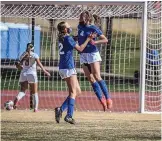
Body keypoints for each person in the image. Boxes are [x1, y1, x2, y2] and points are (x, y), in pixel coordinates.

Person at [55, 21, 95, 124]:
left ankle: (60, 109)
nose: (70, 28)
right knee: (73, 92)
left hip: (63, 67)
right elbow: (80, 49)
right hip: (68, 67)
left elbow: (71, 40)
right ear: (65, 29)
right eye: (68, 27)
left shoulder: (62, 37)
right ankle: (69, 116)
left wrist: (78, 37)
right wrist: (88, 39)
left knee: (77, 91)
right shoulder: (68, 38)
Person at [78, 11, 113, 111]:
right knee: (90, 78)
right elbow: (81, 38)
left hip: (93, 54)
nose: (80, 18)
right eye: (80, 16)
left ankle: (108, 98)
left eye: (82, 16)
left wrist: (95, 41)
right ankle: (101, 100)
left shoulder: (93, 28)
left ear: (87, 18)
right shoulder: (80, 27)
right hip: (83, 55)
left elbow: (105, 40)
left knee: (97, 76)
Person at [13, 43, 51, 112]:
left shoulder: (23, 54)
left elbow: (17, 65)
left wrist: (21, 67)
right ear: (33, 48)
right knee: (35, 92)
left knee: (22, 91)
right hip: (32, 74)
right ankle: (36, 109)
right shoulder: (35, 55)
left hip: (23, 73)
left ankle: (17, 98)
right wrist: (45, 72)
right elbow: (40, 64)